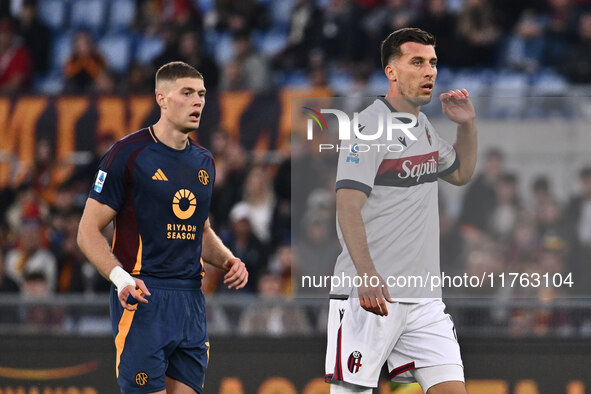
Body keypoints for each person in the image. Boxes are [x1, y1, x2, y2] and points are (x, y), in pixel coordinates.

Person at [77, 61, 248, 394]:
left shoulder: (204, 162)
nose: (197, 102)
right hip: (143, 295)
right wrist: (121, 278)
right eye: (187, 93)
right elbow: (86, 231)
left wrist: (229, 260)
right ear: (162, 98)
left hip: (190, 301)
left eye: (201, 94)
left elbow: (202, 231)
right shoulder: (127, 154)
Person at [325, 28, 477, 394]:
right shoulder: (369, 126)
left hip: (424, 299)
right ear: (392, 72)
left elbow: (460, 173)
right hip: (370, 295)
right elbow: (347, 206)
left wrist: (468, 125)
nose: (430, 71)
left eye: (433, 63)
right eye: (417, 62)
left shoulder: (421, 126)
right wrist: (366, 273)